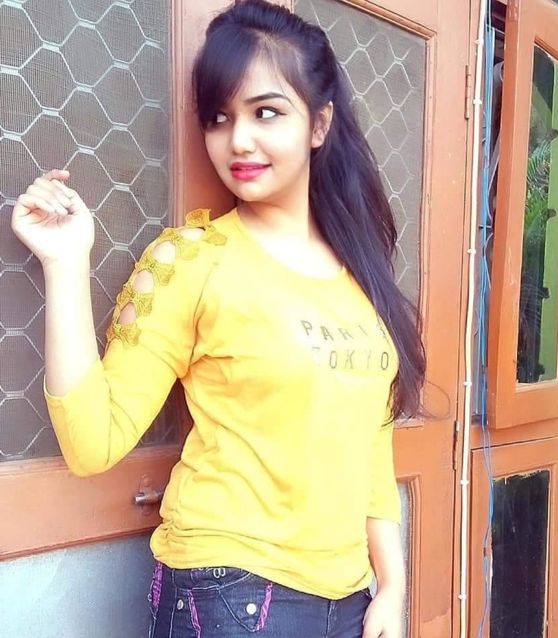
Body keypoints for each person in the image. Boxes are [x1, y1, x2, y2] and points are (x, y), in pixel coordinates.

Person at [10, 1, 425, 636]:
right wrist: (66, 264)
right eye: (218, 118)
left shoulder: (361, 279)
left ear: (319, 124)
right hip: (231, 594)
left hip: (349, 598)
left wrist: (391, 586)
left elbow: (370, 445)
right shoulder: (193, 260)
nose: (239, 141)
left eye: (266, 112)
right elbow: (93, 442)